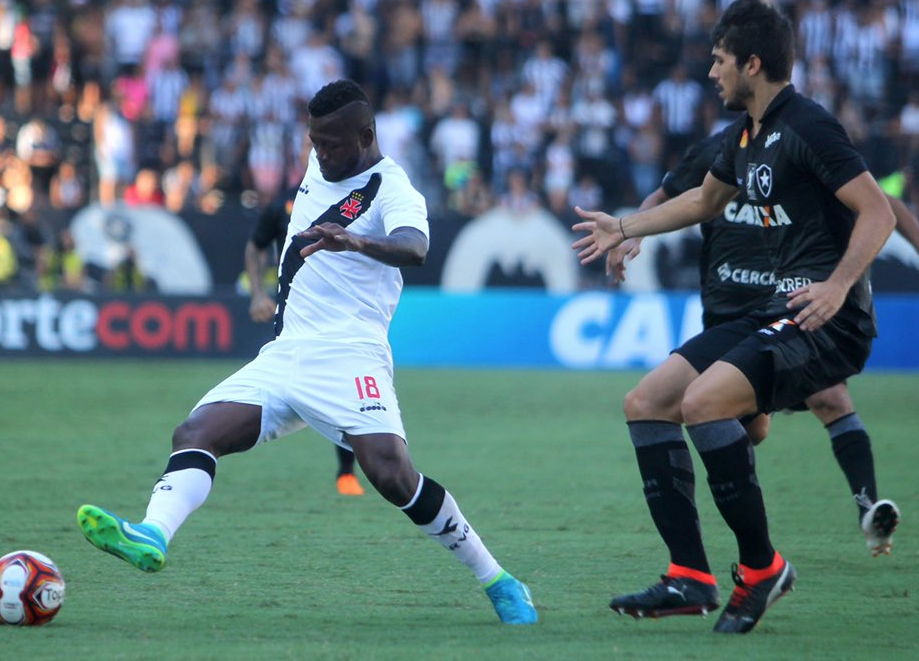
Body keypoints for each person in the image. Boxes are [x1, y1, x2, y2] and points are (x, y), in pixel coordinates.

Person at [77, 79, 537, 625]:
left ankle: (499, 581)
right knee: (195, 432)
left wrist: (357, 240)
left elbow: (416, 247)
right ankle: (153, 534)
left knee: (391, 475)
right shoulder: (321, 167)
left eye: (332, 144)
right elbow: (271, 228)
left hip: (350, 354)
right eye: (314, 142)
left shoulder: (392, 189)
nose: (320, 154)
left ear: (366, 136)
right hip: (285, 352)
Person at [571, 0, 895, 634]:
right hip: (779, 308)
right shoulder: (746, 135)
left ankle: (761, 568)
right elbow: (702, 200)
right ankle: (688, 576)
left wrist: (837, 286)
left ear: (752, 63)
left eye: (719, 60)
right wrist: (626, 227)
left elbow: (878, 211)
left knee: (703, 403)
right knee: (647, 402)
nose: (710, 72)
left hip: (829, 319)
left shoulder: (808, 125)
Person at [609, 129, 914, 557]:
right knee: (749, 427)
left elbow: (884, 205)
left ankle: (867, 507)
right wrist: (633, 233)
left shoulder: (799, 141)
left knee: (829, 396)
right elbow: (665, 196)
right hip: (727, 313)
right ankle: (736, 521)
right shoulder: (718, 150)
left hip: (784, 307)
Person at [245, 182, 366, 497]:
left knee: (345, 388)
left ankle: (347, 472)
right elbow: (256, 245)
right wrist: (257, 293)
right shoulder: (285, 203)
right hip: (295, 313)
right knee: (282, 381)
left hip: (341, 312)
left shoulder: (355, 198)